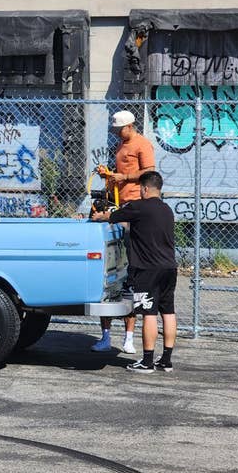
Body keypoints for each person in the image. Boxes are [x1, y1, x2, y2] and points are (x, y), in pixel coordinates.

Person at [92, 171, 177, 373]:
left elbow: (113, 216)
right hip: (169, 267)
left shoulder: (139, 207)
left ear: (145, 188)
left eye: (140, 188)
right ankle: (165, 360)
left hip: (148, 269)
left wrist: (99, 216)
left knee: (148, 313)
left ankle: (147, 361)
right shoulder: (167, 210)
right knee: (168, 312)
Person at [92, 109, 156, 354]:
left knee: (130, 271)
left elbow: (149, 172)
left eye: (120, 129)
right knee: (111, 270)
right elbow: (119, 177)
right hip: (118, 205)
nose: (117, 133)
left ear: (130, 126)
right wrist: (109, 176)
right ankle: (105, 336)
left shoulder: (142, 144)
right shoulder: (120, 145)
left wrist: (125, 176)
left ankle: (129, 338)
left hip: (133, 206)